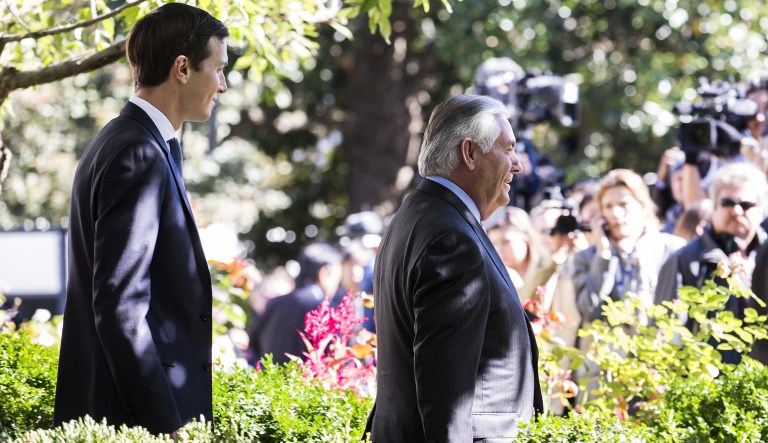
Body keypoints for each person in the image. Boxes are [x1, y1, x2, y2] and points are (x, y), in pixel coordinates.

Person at [53, 4, 229, 435]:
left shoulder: (124, 141)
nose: (222, 85)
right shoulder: (137, 153)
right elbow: (120, 305)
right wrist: (166, 427)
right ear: (182, 68)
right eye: (218, 69)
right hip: (134, 422)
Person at [365, 94, 542, 442]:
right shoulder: (449, 238)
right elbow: (446, 398)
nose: (517, 164)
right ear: (470, 153)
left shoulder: (419, 216)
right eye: (507, 149)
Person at [655, 162, 767, 364]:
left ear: (761, 211)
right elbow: (665, 338)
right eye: (727, 202)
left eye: (746, 205)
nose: (737, 211)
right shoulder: (685, 261)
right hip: (708, 387)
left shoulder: (764, 258)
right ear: (713, 206)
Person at [250, 241, 343, 365]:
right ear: (324, 273)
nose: (337, 285)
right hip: (307, 382)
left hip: (269, 381)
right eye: (337, 278)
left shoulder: (274, 303)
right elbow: (333, 357)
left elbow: (254, 345)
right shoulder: (323, 309)